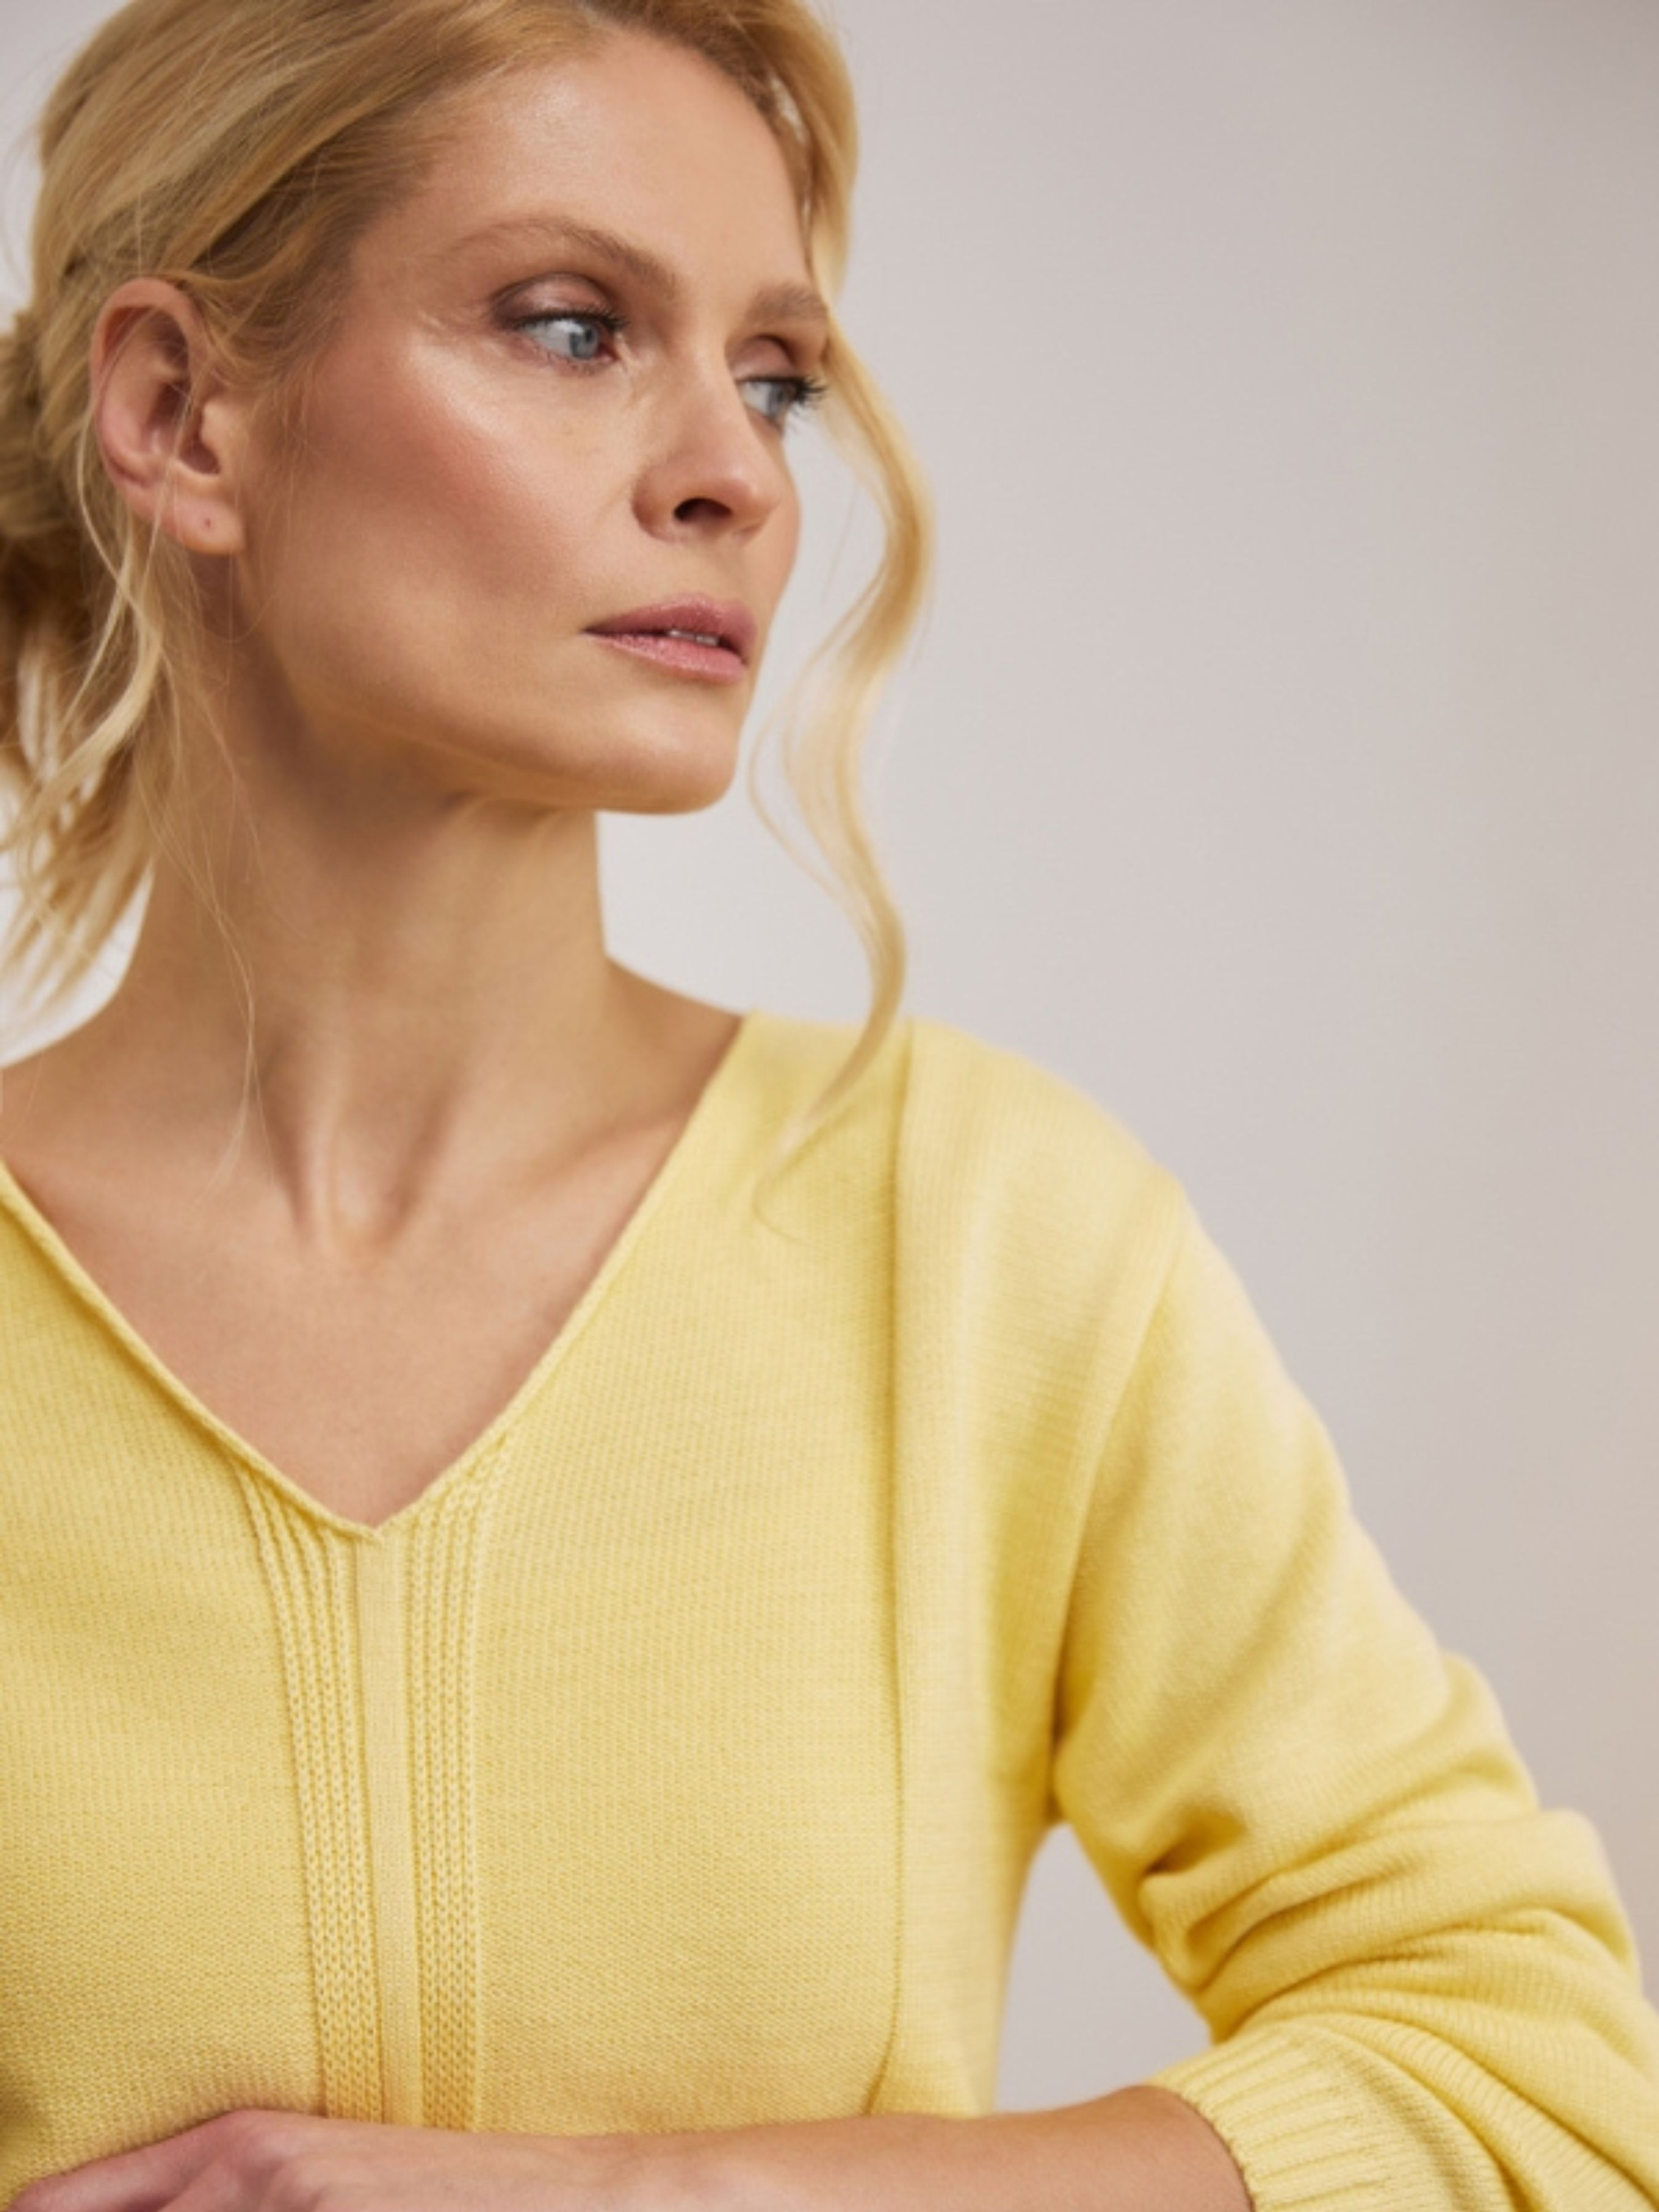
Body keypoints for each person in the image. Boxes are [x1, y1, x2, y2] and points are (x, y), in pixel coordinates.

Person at [0, 2, 1654, 2207]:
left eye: (772, 375)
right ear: (178, 412)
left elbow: (1534, 2078)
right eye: (574, 326)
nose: (742, 474)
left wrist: (694, 2197)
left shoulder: (981, 1244)